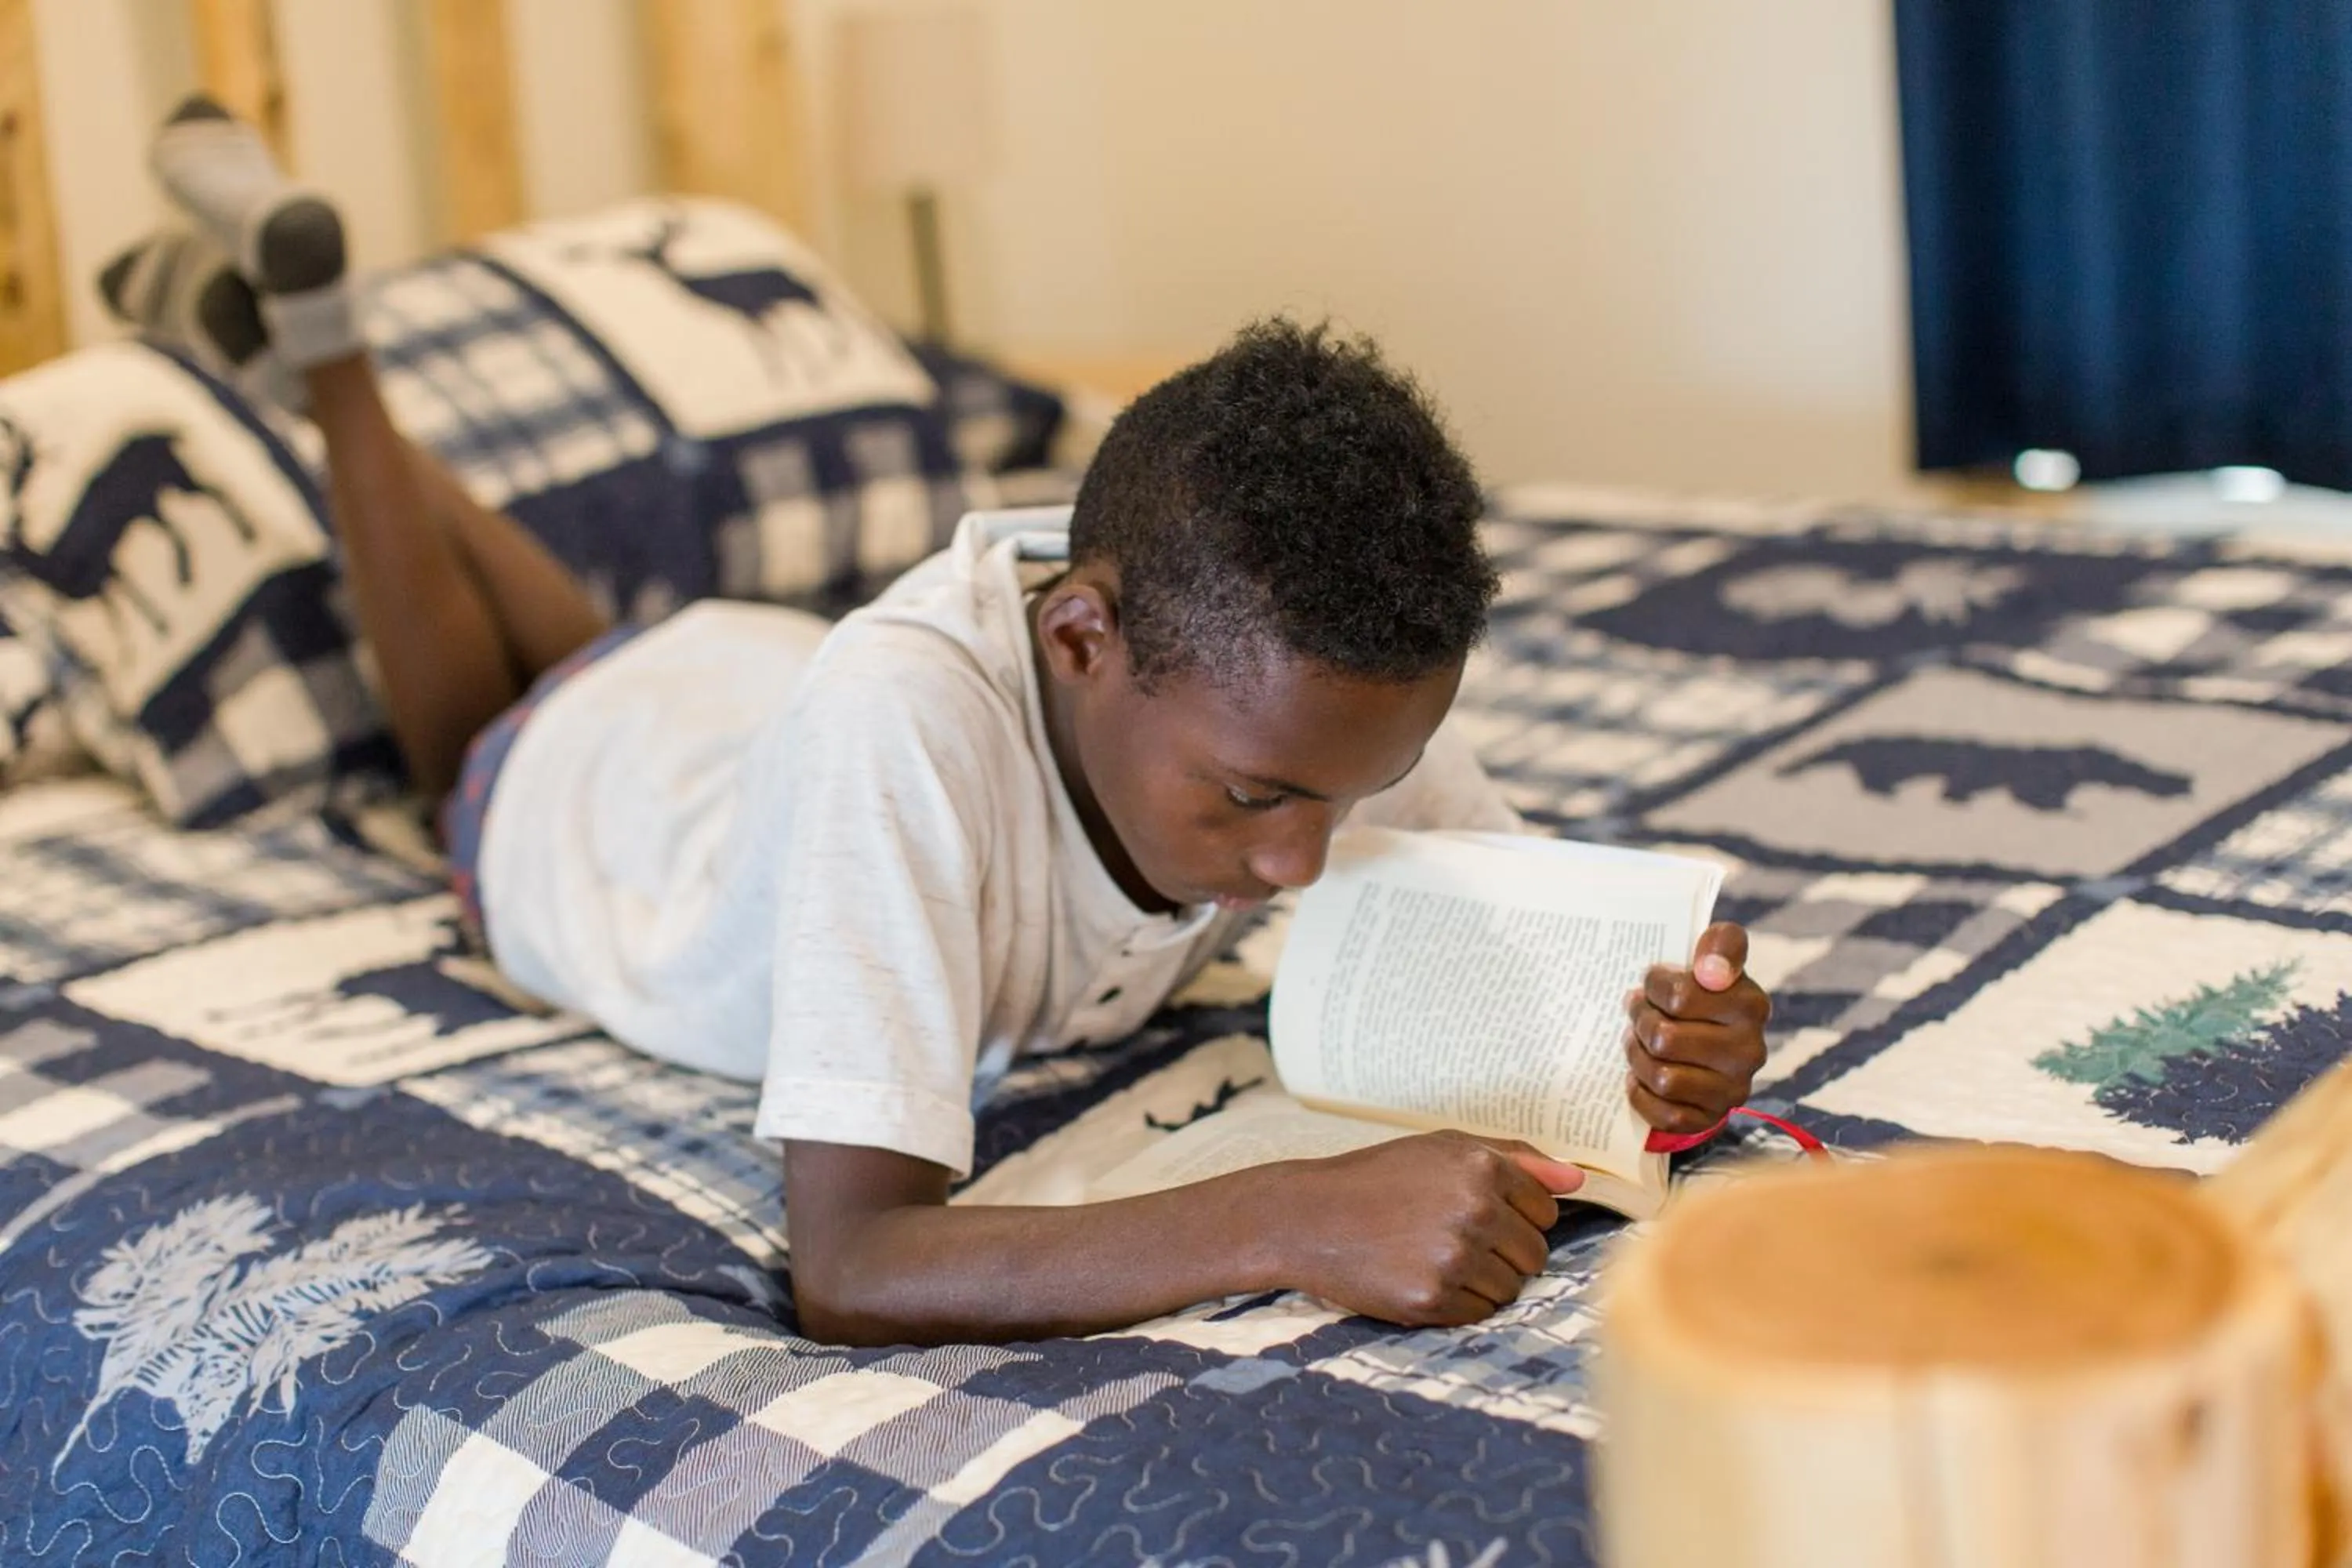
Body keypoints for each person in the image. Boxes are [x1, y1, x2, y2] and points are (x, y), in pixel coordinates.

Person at [113, 96, 1772, 1348]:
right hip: (595, 807)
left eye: (1353, 798)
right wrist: (1294, 1216)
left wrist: (1666, 1035)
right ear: (1078, 637)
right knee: (485, 721)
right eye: (1255, 802)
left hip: (735, 672)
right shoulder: (905, 723)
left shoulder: (1288, 694)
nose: (1295, 864)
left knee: (625, 641)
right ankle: (329, 367)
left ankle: (307, 348)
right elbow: (848, 1265)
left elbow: (1522, 941)